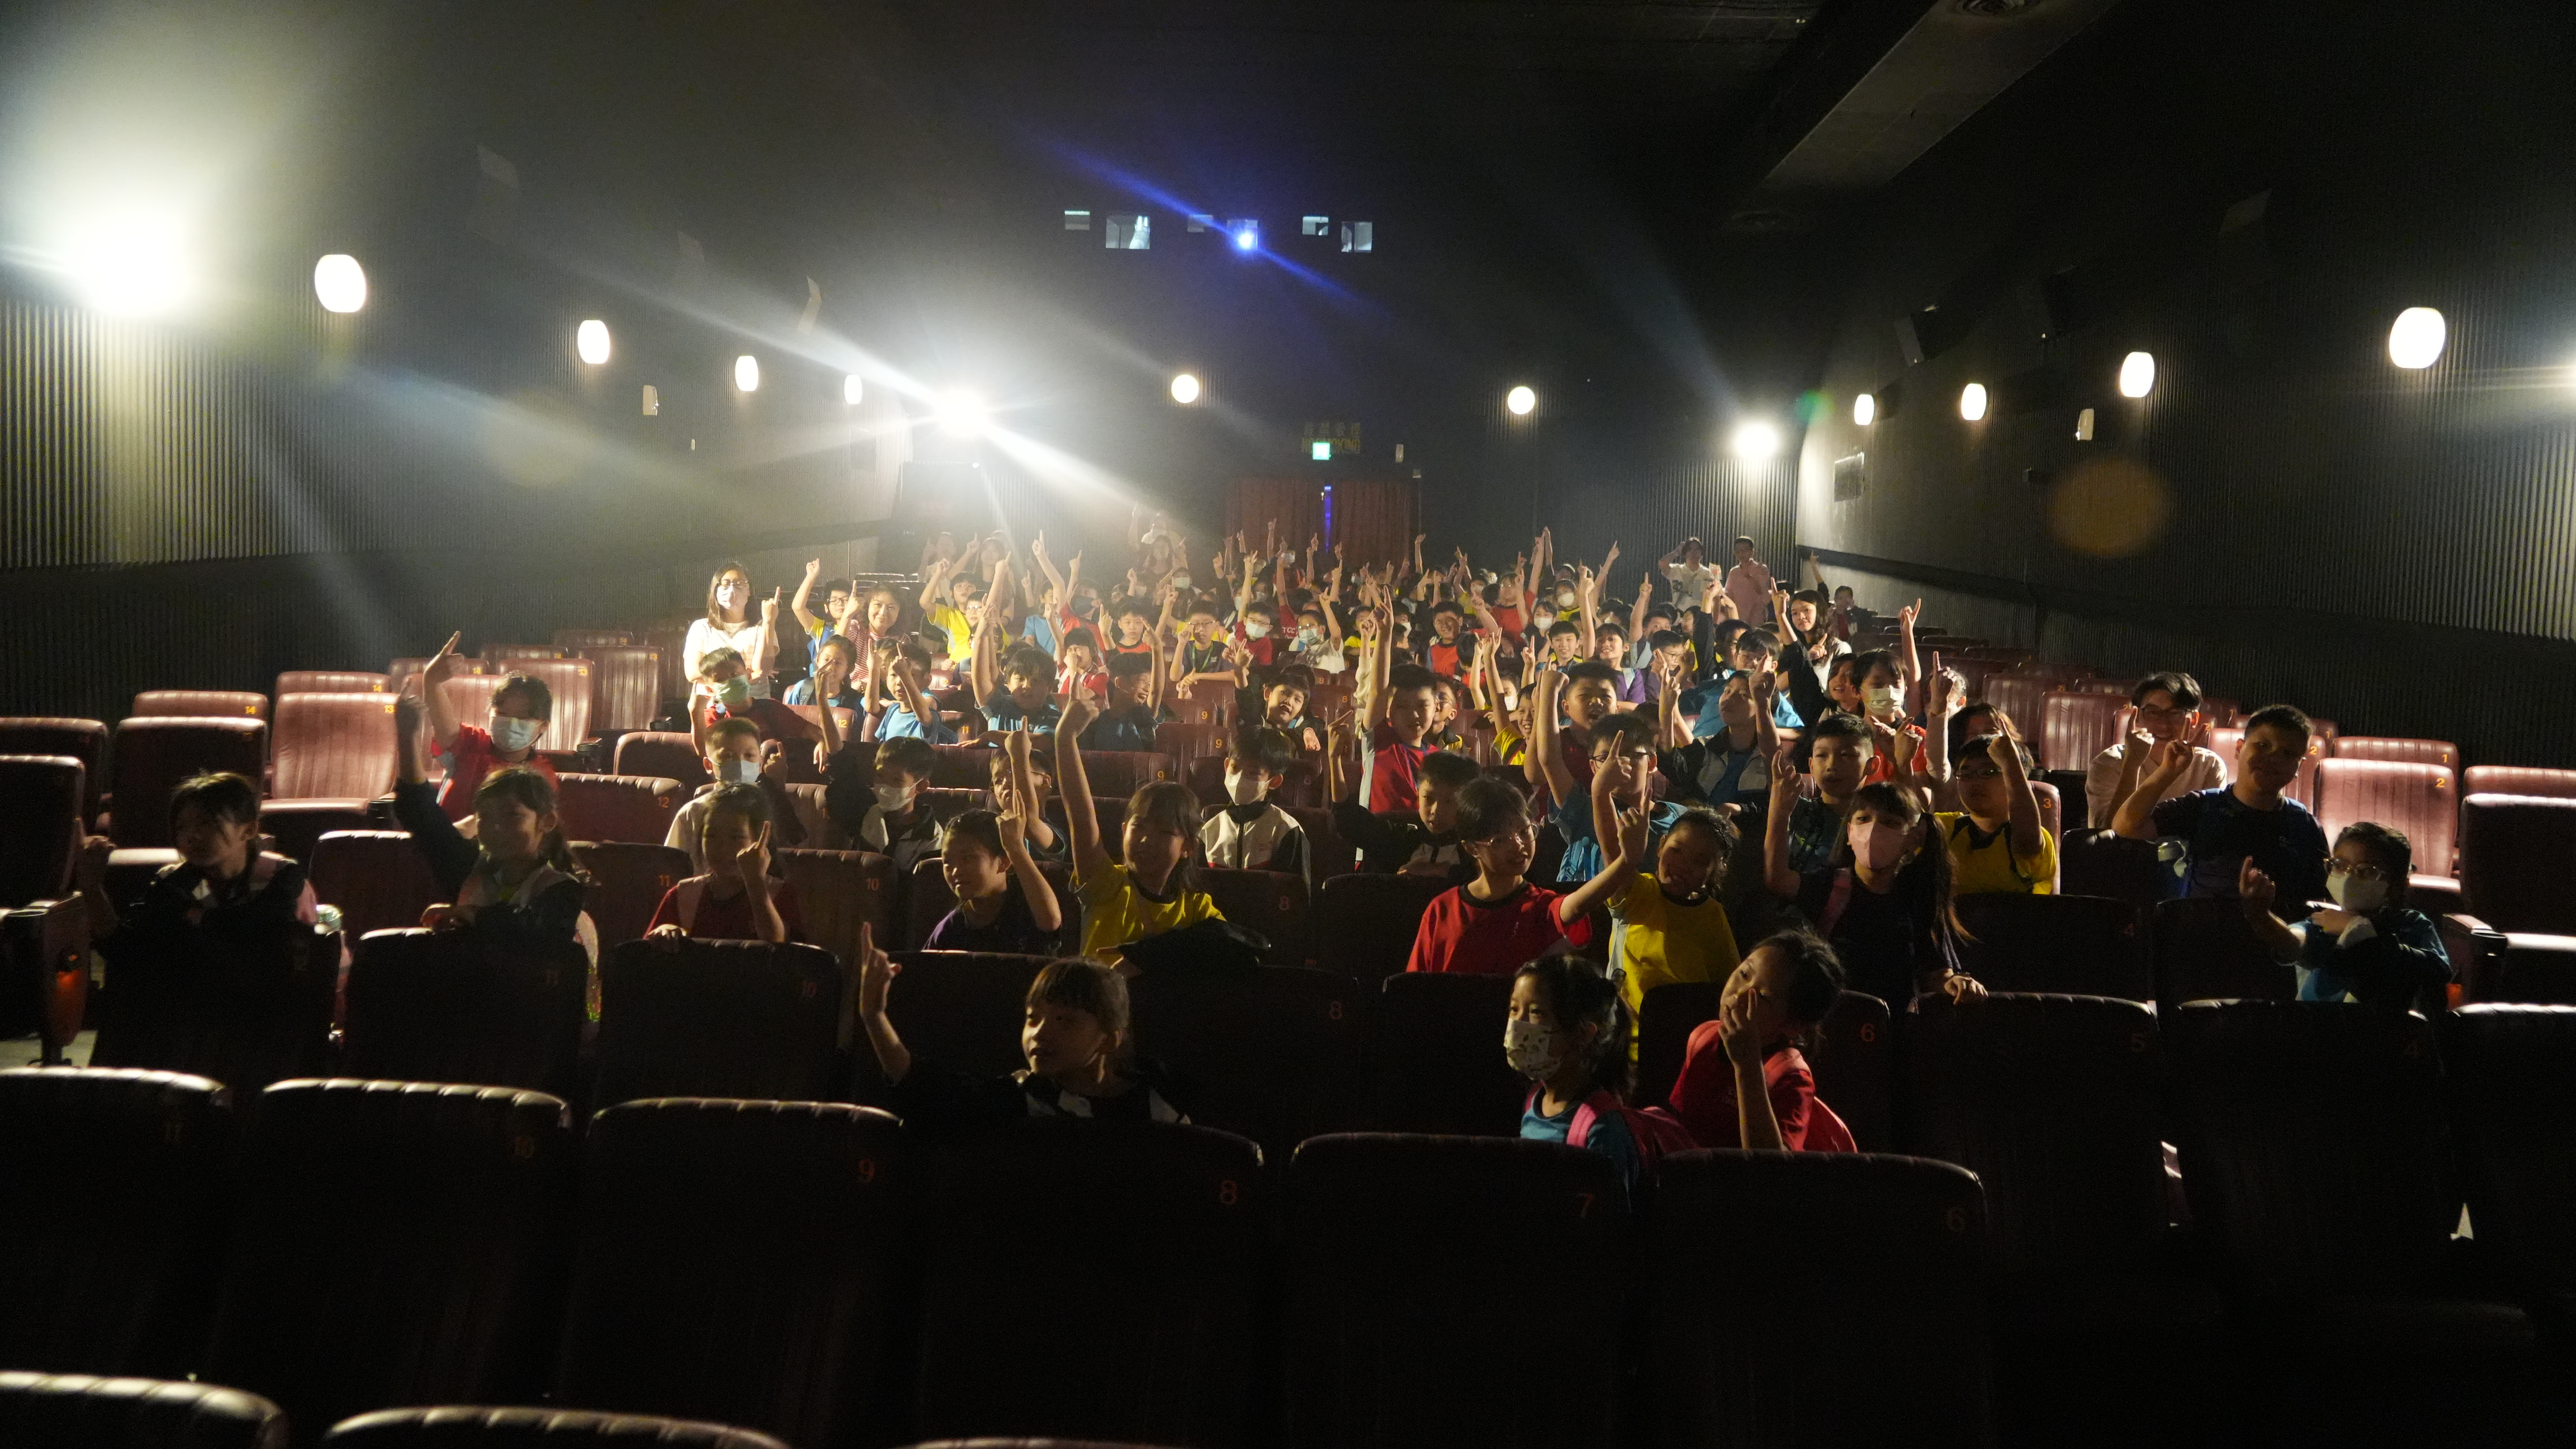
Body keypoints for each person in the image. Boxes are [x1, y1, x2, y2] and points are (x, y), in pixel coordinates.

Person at [858, 934, 1188, 1134]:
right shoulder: (1023, 1097)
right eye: (1033, 1019)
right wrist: (874, 1017)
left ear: (1110, 1039)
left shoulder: (1159, 1097)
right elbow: (926, 1088)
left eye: (1065, 1020)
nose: (1041, 1033)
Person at [1761, 764, 1986, 1013]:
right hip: (1834, 1019)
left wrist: (1957, 983)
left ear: (1913, 839)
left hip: (1896, 1023)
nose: (1873, 830)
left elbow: (1936, 972)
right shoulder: (1831, 886)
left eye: (1890, 823)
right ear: (1849, 832)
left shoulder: (1917, 898)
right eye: (1864, 819)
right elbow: (1778, 880)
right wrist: (1779, 813)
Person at [390, 694, 595, 956]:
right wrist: (407, 736)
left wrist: (472, 915)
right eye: (485, 817)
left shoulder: (562, 886)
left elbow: (539, 931)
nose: (496, 827)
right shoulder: (469, 868)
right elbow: (422, 816)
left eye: (512, 816)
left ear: (546, 822)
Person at [77, 771, 321, 972]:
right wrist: (91, 887)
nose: (191, 836)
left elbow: (263, 940)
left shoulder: (280, 877)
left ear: (248, 830)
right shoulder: (178, 882)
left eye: (206, 823)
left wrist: (194, 918)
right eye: (182, 828)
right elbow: (126, 950)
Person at [1058, 689, 1223, 969]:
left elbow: (1240, 948)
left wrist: (1150, 956)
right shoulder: (1108, 885)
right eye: (1139, 826)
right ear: (1124, 830)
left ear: (1188, 847)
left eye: (1164, 832)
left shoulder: (1195, 907)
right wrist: (1064, 739)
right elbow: (1080, 816)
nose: (1146, 840)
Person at [2113, 703, 2328, 908]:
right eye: (2263, 746)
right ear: (2240, 749)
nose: (2273, 759)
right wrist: (2168, 771)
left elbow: (2319, 899)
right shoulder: (2204, 805)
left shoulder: (2305, 825)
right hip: (2205, 927)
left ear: (2299, 766)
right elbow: (2127, 826)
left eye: (2288, 754)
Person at [1591, 763, 1742, 1054]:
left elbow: (1728, 985)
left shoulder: (1713, 915)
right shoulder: (1638, 892)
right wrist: (1600, 792)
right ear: (1660, 846)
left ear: (1716, 871)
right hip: (1628, 1046)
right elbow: (1612, 850)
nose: (1684, 864)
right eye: (1677, 850)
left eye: (1700, 861)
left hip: (1687, 1047)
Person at [1405, 777, 1619, 974]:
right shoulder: (1442, 910)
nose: (1518, 845)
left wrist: (1625, 862)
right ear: (1472, 848)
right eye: (1499, 840)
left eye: (1524, 832)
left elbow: (1577, 907)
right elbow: (1416, 985)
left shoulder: (1541, 907)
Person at [1667, 931, 1849, 1151]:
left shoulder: (1791, 1080)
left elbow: (1768, 1166)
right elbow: (1677, 1126)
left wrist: (1748, 1065)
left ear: (1793, 1025)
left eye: (1762, 997)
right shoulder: (1704, 1038)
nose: (1740, 995)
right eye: (1744, 974)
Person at [2239, 821, 2451, 1010]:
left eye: (2367, 871)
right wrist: (2261, 915)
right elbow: (2292, 941)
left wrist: (2362, 933)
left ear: (2396, 886)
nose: (2348, 878)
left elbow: (2437, 971)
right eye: (2340, 866)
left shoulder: (2410, 924)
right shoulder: (2326, 923)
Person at [1509, 956, 1642, 1194]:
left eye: (1536, 1012)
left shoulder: (1603, 1129)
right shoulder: (1534, 1100)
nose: (1517, 1025)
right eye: (1514, 1009)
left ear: (1583, 1034)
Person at [421, 632, 559, 823]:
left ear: (543, 726)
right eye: (502, 714)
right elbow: (445, 727)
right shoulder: (470, 744)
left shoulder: (541, 776)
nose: (511, 723)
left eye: (522, 718)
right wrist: (431, 681)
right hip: (446, 840)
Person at [644, 784, 802, 944]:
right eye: (711, 836)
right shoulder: (683, 896)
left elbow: (776, 946)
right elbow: (647, 950)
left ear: (760, 840)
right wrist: (664, 931)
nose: (722, 848)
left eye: (736, 837)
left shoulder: (780, 894)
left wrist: (755, 881)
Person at [1925, 712, 2056, 897]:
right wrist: (1902, 765)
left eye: (1988, 772)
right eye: (1966, 774)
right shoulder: (1948, 828)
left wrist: (2011, 763)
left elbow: (2027, 841)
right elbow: (1904, 830)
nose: (1975, 782)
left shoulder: (2031, 836)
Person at [1325, 728, 1479, 879]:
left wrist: (1440, 870)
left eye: (1449, 802)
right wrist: (1334, 759)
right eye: (1428, 798)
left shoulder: (1478, 846)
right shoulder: (1405, 837)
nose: (1436, 810)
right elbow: (1349, 820)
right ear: (1418, 794)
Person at [665, 716, 807, 873]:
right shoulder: (693, 812)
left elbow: (793, 851)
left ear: (760, 762)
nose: (740, 763)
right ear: (709, 765)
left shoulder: (772, 804)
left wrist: (777, 788)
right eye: (728, 756)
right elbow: (673, 867)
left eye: (749, 756)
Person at [2087, 671, 2227, 829]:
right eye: (2153, 712)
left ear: (2194, 719)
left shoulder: (2208, 765)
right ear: (2137, 716)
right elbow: (2106, 833)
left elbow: (2210, 831)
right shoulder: (2108, 763)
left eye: (2175, 713)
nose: (2163, 725)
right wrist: (2131, 766)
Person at [923, 803, 1068, 955]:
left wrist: (1015, 847)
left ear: (1004, 862)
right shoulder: (950, 930)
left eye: (968, 858)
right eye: (948, 862)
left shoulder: (1027, 906)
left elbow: (1051, 922)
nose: (956, 871)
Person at [1199, 723, 1309, 882]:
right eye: (1235, 768)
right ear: (1226, 766)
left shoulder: (1286, 830)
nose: (1239, 779)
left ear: (1274, 781)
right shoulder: (1209, 830)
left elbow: (1293, 890)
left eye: (1253, 773)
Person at [1660, 667, 1777, 814]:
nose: (1730, 698)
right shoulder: (1708, 747)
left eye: (1743, 695)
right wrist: (1666, 711)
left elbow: (1775, 806)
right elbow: (1671, 766)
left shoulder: (1770, 757)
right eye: (1727, 691)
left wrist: (1742, 810)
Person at [836, 734, 948, 879]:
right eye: (880, 776)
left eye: (897, 780)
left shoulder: (932, 837)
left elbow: (921, 885)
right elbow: (841, 770)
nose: (884, 787)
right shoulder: (865, 812)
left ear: (920, 786)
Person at [685, 561, 777, 699]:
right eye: (726, 583)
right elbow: (693, 673)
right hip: (714, 703)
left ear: (749, 591)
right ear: (716, 589)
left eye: (740, 583)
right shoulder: (701, 627)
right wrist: (741, 680)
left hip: (754, 702)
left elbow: (762, 669)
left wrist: (769, 621)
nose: (732, 589)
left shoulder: (761, 627)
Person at [868, 640, 960, 744]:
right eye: (894, 675)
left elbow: (924, 716)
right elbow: (871, 708)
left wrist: (905, 675)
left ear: (927, 681)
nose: (899, 682)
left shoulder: (929, 715)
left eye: (910, 675)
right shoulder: (892, 711)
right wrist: (874, 670)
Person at [1077, 652, 1162, 754]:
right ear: (1120, 683)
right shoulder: (1096, 723)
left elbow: (1155, 694)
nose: (1148, 689)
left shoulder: (1144, 717)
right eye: (1143, 681)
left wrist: (1157, 649)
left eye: (1150, 683)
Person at [977, 643, 1063, 737]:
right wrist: (981, 638)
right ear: (1009, 684)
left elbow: (1040, 741)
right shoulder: (999, 707)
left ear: (1050, 688)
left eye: (1035, 681)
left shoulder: (1054, 718)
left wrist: (991, 736)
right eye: (1020, 679)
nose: (1027, 686)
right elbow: (981, 680)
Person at [783, 633, 865, 712]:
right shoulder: (803, 689)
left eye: (838, 663)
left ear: (850, 669)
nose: (830, 667)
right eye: (826, 660)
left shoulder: (855, 701)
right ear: (817, 660)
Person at [1722, 536, 1775, 627]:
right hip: (1737, 617)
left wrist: (1749, 577)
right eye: (1738, 551)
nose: (1741, 554)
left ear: (1752, 552)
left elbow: (1763, 594)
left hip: (1756, 616)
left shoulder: (1761, 569)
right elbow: (1729, 595)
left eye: (1744, 550)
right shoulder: (1734, 572)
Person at [1659, 537, 1717, 609]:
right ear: (1685, 553)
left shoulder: (1709, 574)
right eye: (1690, 550)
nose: (1693, 553)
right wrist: (1677, 551)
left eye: (1697, 550)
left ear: (1701, 553)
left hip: (1700, 613)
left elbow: (1717, 599)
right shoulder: (1677, 570)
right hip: (1679, 614)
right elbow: (1662, 564)